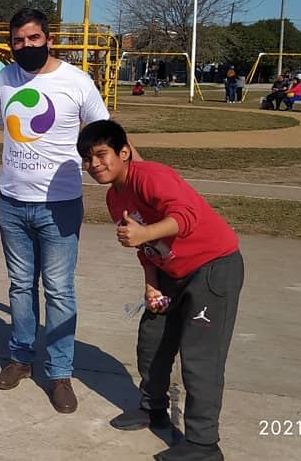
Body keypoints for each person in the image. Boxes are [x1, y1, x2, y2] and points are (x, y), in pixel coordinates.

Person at [78, 119, 243, 461]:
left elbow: (186, 217)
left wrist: (144, 233)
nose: (94, 165)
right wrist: (151, 285)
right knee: (152, 342)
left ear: (124, 152)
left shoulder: (150, 176)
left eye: (101, 154)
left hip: (212, 267)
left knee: (200, 358)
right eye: (87, 159)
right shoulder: (114, 198)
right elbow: (144, 248)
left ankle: (203, 445)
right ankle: (152, 408)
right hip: (169, 274)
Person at [0, 8, 110, 414]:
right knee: (20, 287)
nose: (26, 46)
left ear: (49, 39)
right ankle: (21, 358)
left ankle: (60, 373)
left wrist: (135, 180)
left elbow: (104, 134)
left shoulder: (76, 82)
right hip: (12, 202)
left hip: (60, 205)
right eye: (18, 40)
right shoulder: (3, 79)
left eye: (34, 38)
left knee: (58, 289)